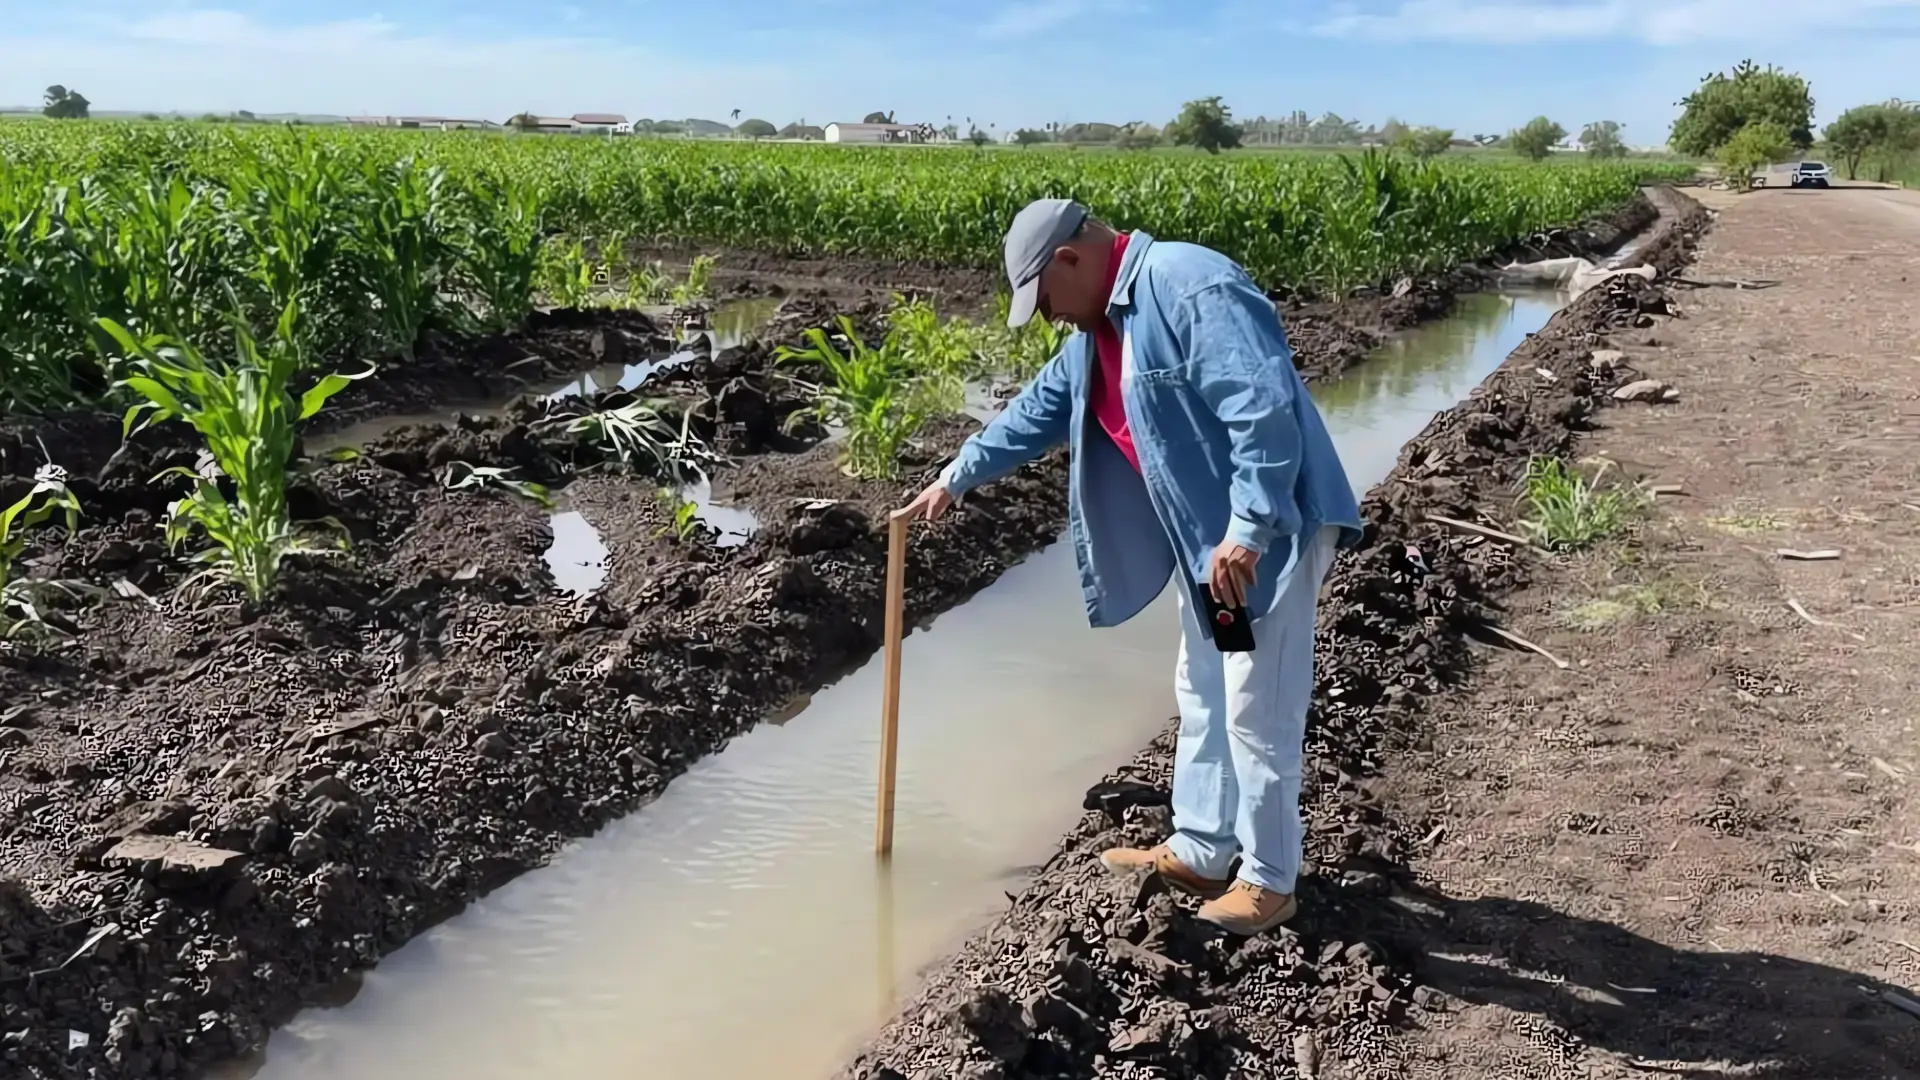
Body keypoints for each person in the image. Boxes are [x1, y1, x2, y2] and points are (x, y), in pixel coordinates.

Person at [896, 198, 1362, 934]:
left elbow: (1261, 408)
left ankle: (1270, 881)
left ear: (1071, 259)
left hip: (1260, 538)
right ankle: (1203, 849)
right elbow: (1038, 410)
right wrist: (957, 476)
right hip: (1205, 545)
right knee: (1204, 686)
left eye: (1044, 298)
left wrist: (1249, 527)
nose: (1049, 316)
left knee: (1255, 704)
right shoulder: (1099, 331)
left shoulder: (1188, 285)